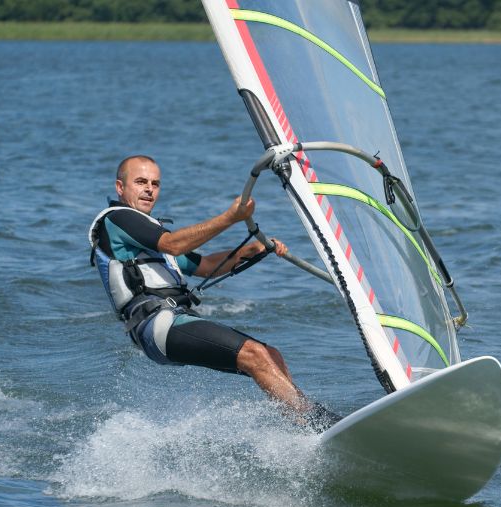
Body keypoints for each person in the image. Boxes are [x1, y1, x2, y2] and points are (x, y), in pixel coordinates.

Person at [89, 155, 339, 431]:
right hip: (155, 325)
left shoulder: (149, 236)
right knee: (253, 355)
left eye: (155, 183)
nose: (149, 189)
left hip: (175, 319)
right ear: (120, 187)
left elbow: (206, 266)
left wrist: (249, 251)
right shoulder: (119, 219)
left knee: (271, 354)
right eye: (140, 182)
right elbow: (172, 244)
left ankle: (305, 427)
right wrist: (231, 217)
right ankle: (320, 424)